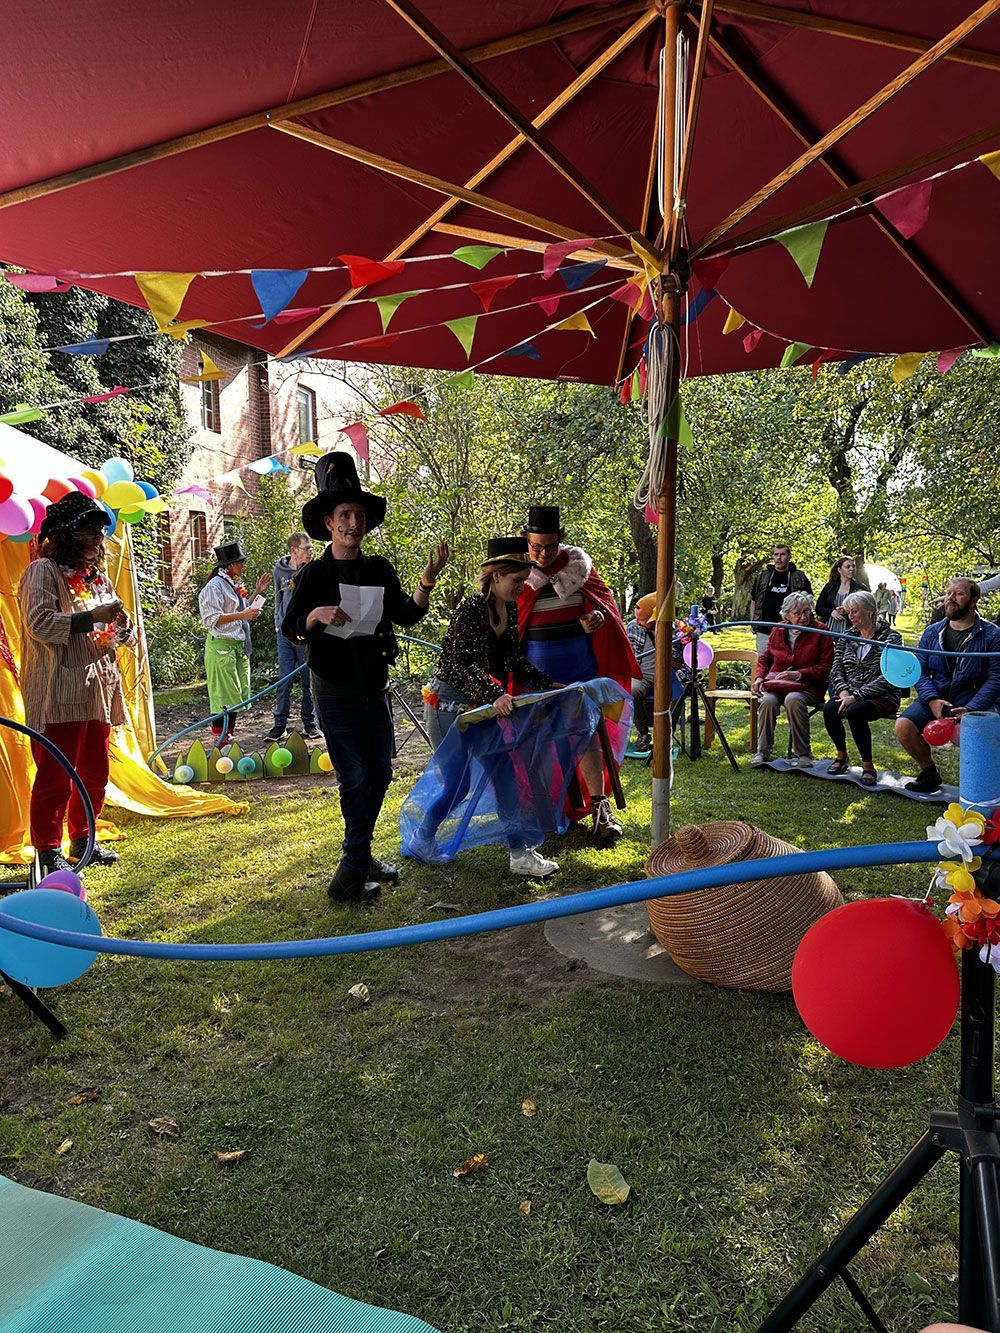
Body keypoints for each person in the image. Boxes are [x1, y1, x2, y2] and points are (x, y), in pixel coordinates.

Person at [282, 451, 448, 902]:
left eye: (358, 515)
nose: (352, 522)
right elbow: (291, 626)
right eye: (344, 515)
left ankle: (359, 857)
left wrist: (427, 580)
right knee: (355, 777)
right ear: (329, 523)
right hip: (334, 691)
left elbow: (407, 614)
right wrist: (316, 613)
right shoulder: (314, 572)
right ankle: (352, 869)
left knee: (380, 774)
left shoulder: (379, 568)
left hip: (374, 686)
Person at [413, 537, 559, 878]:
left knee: (505, 774)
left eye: (525, 581)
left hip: (482, 705)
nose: (522, 588)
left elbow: (512, 660)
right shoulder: (470, 609)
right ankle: (423, 838)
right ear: (495, 576)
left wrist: (545, 682)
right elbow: (463, 664)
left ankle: (519, 853)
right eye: (516, 581)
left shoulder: (509, 610)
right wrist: (495, 693)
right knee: (458, 785)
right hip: (449, 707)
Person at [17, 492, 133, 874]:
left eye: (100, 529)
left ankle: (83, 840)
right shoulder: (42, 571)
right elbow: (40, 623)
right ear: (67, 534)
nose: (99, 536)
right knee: (54, 774)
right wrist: (91, 619)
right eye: (89, 529)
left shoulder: (94, 577)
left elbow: (110, 623)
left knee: (95, 771)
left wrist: (121, 625)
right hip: (58, 689)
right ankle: (47, 852)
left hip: (96, 687)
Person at [517, 505, 639, 842]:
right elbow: (505, 622)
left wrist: (596, 618)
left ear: (561, 543)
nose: (542, 554)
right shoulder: (515, 572)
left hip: (577, 666)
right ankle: (544, 808)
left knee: (585, 732)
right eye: (536, 546)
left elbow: (604, 605)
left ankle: (600, 808)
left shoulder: (578, 568)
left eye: (550, 547)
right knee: (537, 739)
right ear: (526, 541)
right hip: (534, 671)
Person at [896, 577, 1000, 793]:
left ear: (973, 601)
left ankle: (982, 789)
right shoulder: (932, 632)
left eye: (959, 594)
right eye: (948, 593)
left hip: (972, 699)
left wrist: (971, 708)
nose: (950, 598)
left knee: (978, 737)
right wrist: (932, 699)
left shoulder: (992, 635)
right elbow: (919, 671)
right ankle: (929, 774)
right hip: (937, 696)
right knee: (903, 726)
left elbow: (995, 678)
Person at [822, 591, 903, 786]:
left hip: (882, 696)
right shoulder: (847, 636)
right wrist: (843, 692)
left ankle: (868, 766)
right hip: (849, 693)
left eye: (855, 612)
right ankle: (842, 756)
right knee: (829, 709)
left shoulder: (891, 638)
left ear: (870, 611)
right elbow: (836, 668)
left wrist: (856, 697)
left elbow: (889, 677)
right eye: (849, 612)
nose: (851, 617)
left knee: (856, 711)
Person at [198, 540, 271, 748]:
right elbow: (211, 619)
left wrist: (257, 591)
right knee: (223, 695)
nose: (243, 564)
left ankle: (229, 735)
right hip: (221, 646)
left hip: (238, 646)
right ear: (229, 565)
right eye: (241, 561)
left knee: (237, 694)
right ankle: (221, 740)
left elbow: (241, 609)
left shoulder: (233, 584)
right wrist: (243, 614)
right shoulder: (214, 587)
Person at [751, 591, 834, 768]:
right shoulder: (778, 629)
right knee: (767, 700)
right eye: (797, 613)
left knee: (793, 699)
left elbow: (826, 666)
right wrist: (759, 678)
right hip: (778, 684)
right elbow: (766, 658)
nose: (803, 617)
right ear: (787, 615)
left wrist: (799, 674)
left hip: (809, 686)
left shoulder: (821, 630)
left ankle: (803, 754)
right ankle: (762, 752)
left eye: (806, 612)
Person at [266, 532, 320, 742]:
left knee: (308, 680)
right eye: (307, 548)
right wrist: (279, 625)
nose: (311, 552)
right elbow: (278, 599)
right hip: (285, 634)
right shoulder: (279, 570)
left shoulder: (314, 570)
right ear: (293, 550)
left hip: (306, 634)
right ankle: (280, 725)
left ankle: (310, 724)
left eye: (311, 548)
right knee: (284, 679)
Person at [749, 544, 812, 655]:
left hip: (790, 630)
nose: (779, 558)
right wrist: (753, 622)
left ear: (789, 556)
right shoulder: (763, 576)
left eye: (782, 554)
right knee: (763, 664)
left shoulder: (799, 577)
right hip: (764, 630)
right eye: (776, 554)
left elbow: (808, 603)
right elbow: (754, 600)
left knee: (787, 665)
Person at [626, 592, 657, 751]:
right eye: (637, 618)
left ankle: (664, 735)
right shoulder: (633, 627)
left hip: (666, 677)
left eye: (643, 619)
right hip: (641, 676)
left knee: (676, 693)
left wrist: (654, 632)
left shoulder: (673, 630)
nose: (638, 622)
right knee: (631, 690)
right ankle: (643, 733)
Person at [815, 556, 868, 627]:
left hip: (851, 630)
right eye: (848, 567)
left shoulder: (860, 588)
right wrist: (831, 612)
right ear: (839, 570)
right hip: (828, 628)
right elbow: (818, 608)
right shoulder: (830, 587)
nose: (851, 569)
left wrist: (847, 610)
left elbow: (866, 610)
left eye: (853, 566)